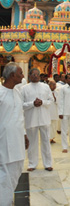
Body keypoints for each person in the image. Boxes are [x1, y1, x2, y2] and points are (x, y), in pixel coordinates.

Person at [0, 63, 28, 206]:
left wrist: (24, 135)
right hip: (4, 141)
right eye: (20, 73)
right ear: (12, 76)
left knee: (15, 172)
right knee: (5, 176)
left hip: (17, 139)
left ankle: (7, 199)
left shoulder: (17, 92)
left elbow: (19, 115)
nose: (23, 76)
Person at [20, 68, 54, 171]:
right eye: (33, 74)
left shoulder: (45, 87)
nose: (35, 76)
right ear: (29, 76)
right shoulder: (24, 89)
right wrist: (32, 104)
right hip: (31, 119)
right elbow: (21, 105)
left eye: (37, 74)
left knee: (46, 142)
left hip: (44, 119)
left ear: (39, 76)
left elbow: (50, 100)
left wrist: (42, 102)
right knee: (32, 143)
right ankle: (32, 164)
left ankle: (48, 164)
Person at [47, 79, 58, 144]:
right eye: (53, 84)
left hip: (55, 111)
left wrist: (55, 98)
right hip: (48, 111)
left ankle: (52, 138)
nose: (55, 86)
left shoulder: (57, 92)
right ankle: (49, 138)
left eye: (55, 84)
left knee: (54, 126)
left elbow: (59, 101)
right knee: (49, 126)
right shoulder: (46, 92)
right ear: (49, 85)